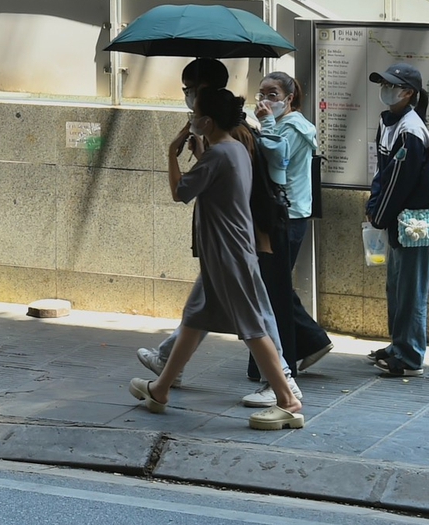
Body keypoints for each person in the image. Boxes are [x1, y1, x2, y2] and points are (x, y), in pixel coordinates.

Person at [130, 87, 304, 429]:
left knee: (252, 327)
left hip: (227, 254)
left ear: (207, 121)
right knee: (196, 319)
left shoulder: (219, 155)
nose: (191, 119)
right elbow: (219, 186)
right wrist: (200, 154)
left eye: (195, 115)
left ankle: (287, 400)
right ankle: (161, 388)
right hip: (227, 252)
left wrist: (171, 154)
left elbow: (181, 192)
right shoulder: (234, 148)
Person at [250, 71, 333, 379]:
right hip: (280, 213)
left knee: (275, 287)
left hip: (290, 215)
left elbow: (277, 159)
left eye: (273, 94)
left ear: (289, 97)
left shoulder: (295, 127)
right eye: (262, 93)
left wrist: (267, 124)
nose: (266, 100)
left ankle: (303, 346)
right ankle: (308, 343)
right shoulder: (283, 124)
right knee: (274, 285)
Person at [366, 63, 429, 378]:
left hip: (414, 221)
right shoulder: (388, 122)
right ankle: (398, 346)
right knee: (397, 287)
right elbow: (382, 172)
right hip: (398, 220)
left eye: (391, 84)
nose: (385, 88)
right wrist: (375, 205)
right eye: (383, 82)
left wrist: (378, 214)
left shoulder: (410, 130)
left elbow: (400, 182)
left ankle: (410, 357)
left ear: (408, 92)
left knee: (411, 291)